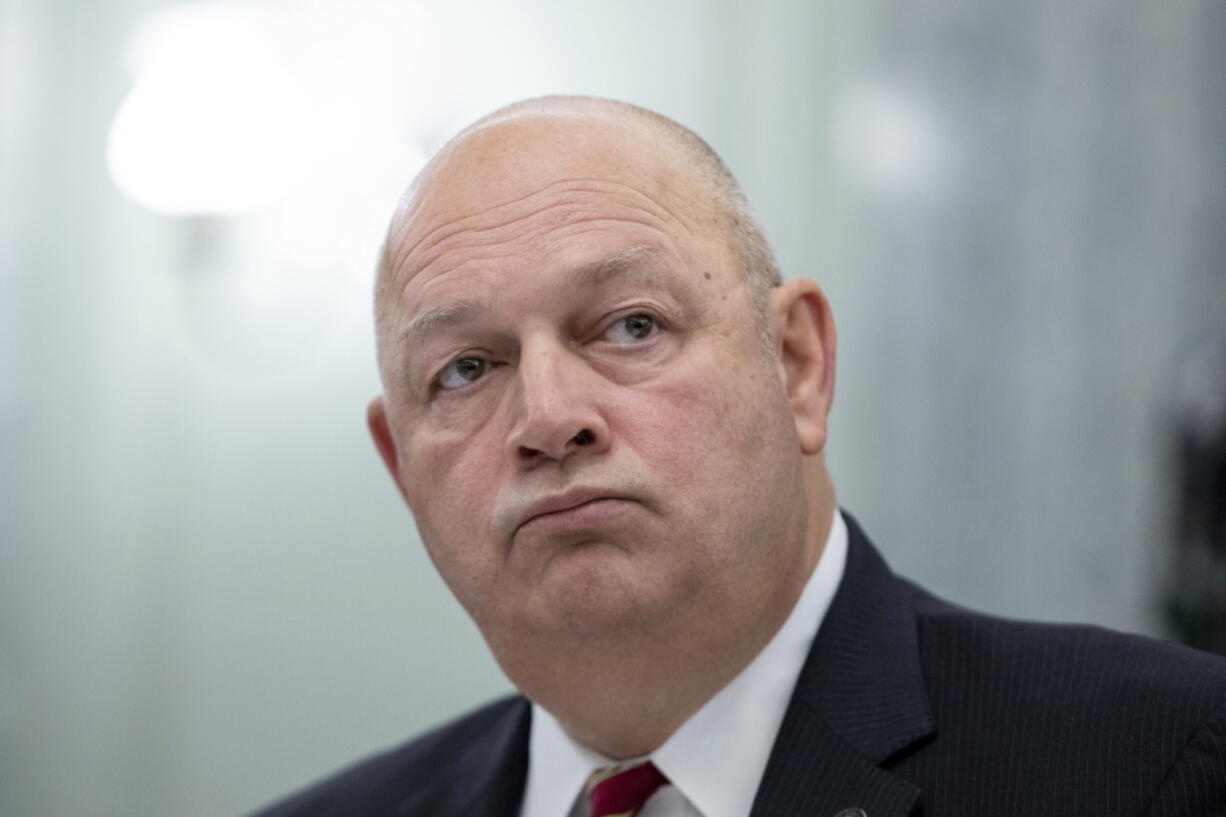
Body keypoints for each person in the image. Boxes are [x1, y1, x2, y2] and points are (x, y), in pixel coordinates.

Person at [251, 96, 1226, 817]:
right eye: (464, 369)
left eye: (630, 325)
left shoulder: (1159, 764)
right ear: (399, 466)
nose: (547, 417)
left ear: (796, 364)